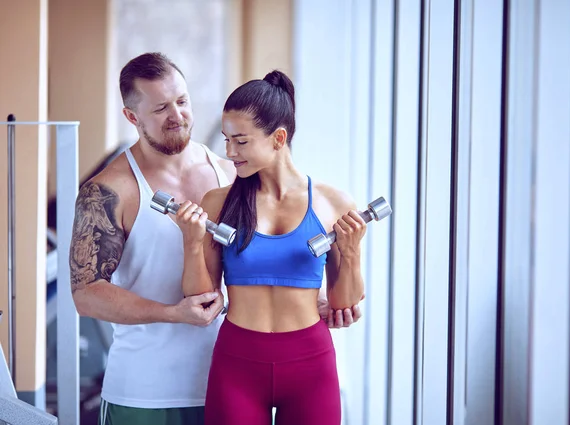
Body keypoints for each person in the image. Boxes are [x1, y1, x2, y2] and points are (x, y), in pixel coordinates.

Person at [69, 52, 360, 425]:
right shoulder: (109, 191)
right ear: (132, 117)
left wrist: (310, 296)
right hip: (147, 389)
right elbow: (86, 294)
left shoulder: (232, 175)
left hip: (226, 375)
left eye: (182, 101)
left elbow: (269, 253)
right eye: (160, 108)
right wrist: (171, 313)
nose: (177, 116)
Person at [173, 70, 367, 425]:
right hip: (237, 364)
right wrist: (191, 241)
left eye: (241, 142)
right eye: (226, 140)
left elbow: (344, 305)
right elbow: (200, 296)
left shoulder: (332, 203)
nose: (229, 152)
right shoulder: (219, 202)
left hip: (311, 364)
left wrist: (351, 252)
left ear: (278, 138)